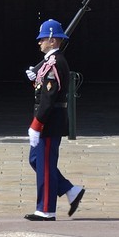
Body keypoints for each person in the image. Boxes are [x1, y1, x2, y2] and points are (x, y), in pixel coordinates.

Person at [24, 18, 86, 222]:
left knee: (45, 164)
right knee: (36, 160)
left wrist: (36, 124)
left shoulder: (55, 62)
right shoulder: (50, 62)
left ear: (52, 40)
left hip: (49, 122)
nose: (39, 42)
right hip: (48, 121)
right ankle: (70, 190)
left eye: (42, 39)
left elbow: (49, 98)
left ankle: (46, 209)